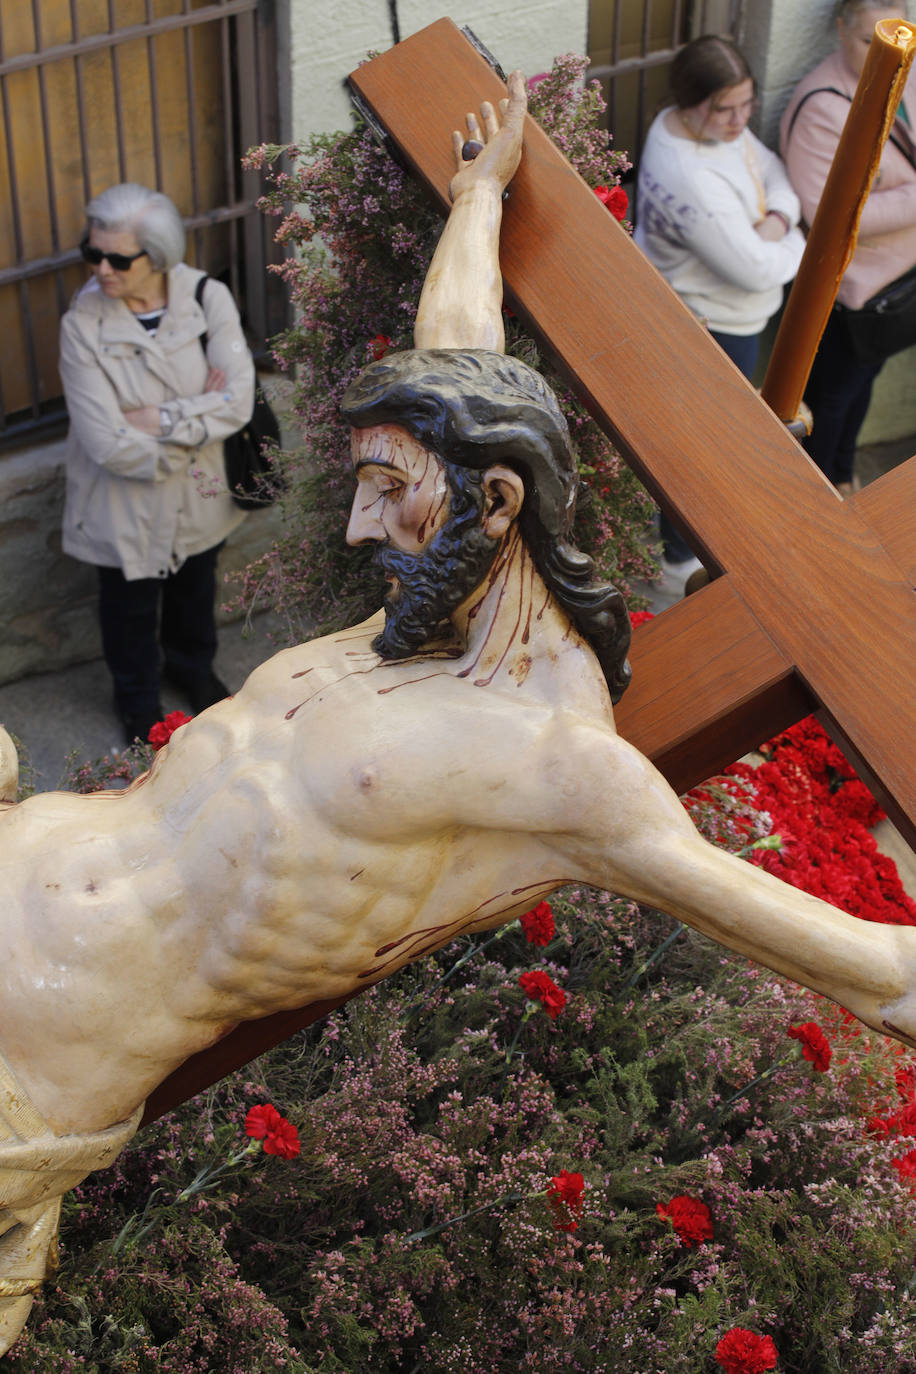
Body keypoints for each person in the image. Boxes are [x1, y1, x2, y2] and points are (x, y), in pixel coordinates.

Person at [3, 72, 916, 1356]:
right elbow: (460, 343)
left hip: (29, 1074)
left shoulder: (559, 772)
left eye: (386, 490)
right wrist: (480, 199)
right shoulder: (407, 622)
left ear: (494, 509)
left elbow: (879, 971)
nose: (360, 524)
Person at [59, 184, 256, 743]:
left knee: (195, 588)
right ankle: (137, 699)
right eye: (91, 253)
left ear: (160, 254)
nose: (102, 268)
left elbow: (238, 401)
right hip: (124, 496)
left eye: (119, 258)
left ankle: (192, 670)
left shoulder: (207, 297)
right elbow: (107, 442)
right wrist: (198, 418)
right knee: (128, 607)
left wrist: (157, 419)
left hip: (198, 493)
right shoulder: (82, 326)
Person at [635, 34, 805, 563]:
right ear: (689, 102)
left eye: (747, 104)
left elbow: (770, 165)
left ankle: (685, 550)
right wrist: (799, 236)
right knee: (703, 457)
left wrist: (774, 220)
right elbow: (755, 271)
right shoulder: (691, 178)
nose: (740, 121)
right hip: (713, 326)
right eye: (725, 109)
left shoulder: (697, 126)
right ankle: (678, 563)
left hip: (728, 313)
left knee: (709, 447)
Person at [780, 2, 916, 496]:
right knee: (830, 400)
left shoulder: (910, 73)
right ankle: (816, 492)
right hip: (854, 293)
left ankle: (841, 475)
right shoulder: (822, 107)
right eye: (869, 39)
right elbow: (827, 215)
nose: (890, 52)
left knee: (862, 387)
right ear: (841, 29)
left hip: (898, 279)